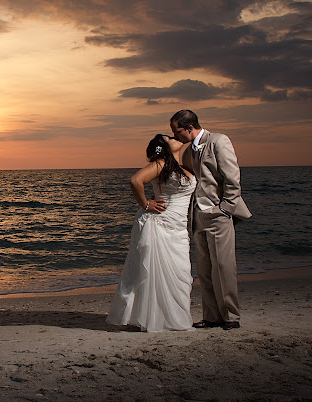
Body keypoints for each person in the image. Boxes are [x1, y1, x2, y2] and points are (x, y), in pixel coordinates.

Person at [170, 109, 251, 330]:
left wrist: (225, 209)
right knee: (204, 270)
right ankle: (211, 316)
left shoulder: (218, 141)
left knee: (223, 267)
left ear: (189, 128)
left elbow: (232, 178)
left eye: (176, 131)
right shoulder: (188, 151)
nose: (175, 135)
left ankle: (231, 316)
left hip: (218, 215)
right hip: (198, 216)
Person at [106, 134, 196, 332]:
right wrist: (146, 204)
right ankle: (153, 318)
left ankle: (171, 316)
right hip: (159, 224)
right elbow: (136, 180)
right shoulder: (161, 164)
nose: (174, 137)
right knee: (153, 272)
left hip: (178, 226)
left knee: (180, 271)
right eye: (169, 138)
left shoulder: (183, 166)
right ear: (164, 147)